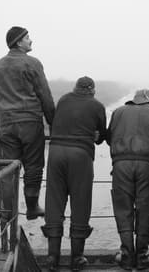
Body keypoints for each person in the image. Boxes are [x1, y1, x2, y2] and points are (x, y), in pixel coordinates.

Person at [0, 26, 55, 221]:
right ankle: (32, 207)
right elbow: (45, 95)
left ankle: (7, 211)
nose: (31, 41)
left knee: (8, 169)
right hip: (30, 122)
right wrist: (52, 123)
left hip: (6, 125)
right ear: (18, 42)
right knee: (33, 166)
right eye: (27, 38)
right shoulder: (32, 63)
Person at [41, 76, 107, 271]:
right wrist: (95, 135)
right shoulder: (97, 106)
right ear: (93, 90)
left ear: (75, 87)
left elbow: (54, 122)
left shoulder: (63, 100)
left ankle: (52, 257)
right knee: (80, 202)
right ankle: (76, 258)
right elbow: (100, 136)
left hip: (55, 152)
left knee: (54, 200)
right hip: (80, 154)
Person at [106, 89, 149, 270]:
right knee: (146, 207)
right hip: (148, 165)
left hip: (121, 164)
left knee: (123, 208)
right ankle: (142, 255)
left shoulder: (118, 111)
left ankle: (127, 254)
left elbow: (109, 137)